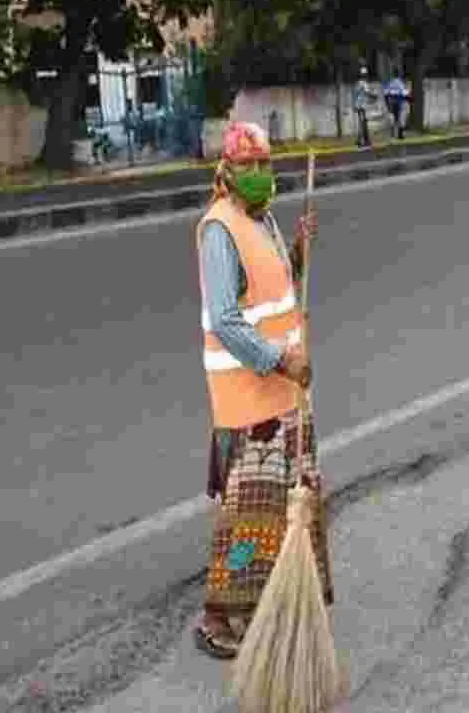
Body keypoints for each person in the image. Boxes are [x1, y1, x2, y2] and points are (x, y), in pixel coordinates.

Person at [192, 121, 334, 658]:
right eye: (247, 165)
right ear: (226, 171)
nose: (257, 173)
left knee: (282, 506)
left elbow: (275, 285)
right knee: (246, 512)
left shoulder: (266, 220)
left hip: (285, 391)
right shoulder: (218, 230)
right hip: (249, 398)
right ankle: (216, 617)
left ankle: (268, 602)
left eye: (264, 164)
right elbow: (227, 321)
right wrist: (280, 360)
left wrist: (297, 250)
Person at [384, 71, 410, 140]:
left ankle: (392, 134)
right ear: (399, 75)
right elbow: (405, 94)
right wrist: (409, 99)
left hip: (392, 102)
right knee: (401, 118)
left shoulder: (390, 83)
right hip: (399, 102)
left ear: (393, 75)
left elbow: (386, 94)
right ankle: (400, 135)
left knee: (393, 118)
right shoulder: (400, 83)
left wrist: (387, 104)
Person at [353, 67, 374, 148]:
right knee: (362, 123)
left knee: (363, 123)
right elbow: (367, 92)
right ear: (365, 75)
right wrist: (374, 96)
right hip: (362, 106)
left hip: (359, 105)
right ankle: (361, 141)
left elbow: (355, 94)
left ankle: (364, 140)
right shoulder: (364, 83)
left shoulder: (357, 83)